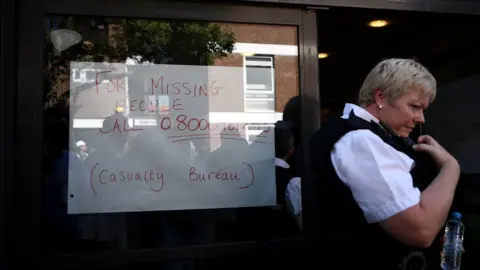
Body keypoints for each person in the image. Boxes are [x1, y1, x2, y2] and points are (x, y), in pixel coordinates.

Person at [310, 58, 460, 270]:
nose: (421, 118)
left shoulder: (371, 135)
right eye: (415, 106)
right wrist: (450, 167)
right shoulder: (360, 140)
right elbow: (420, 230)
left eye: (423, 109)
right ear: (380, 96)